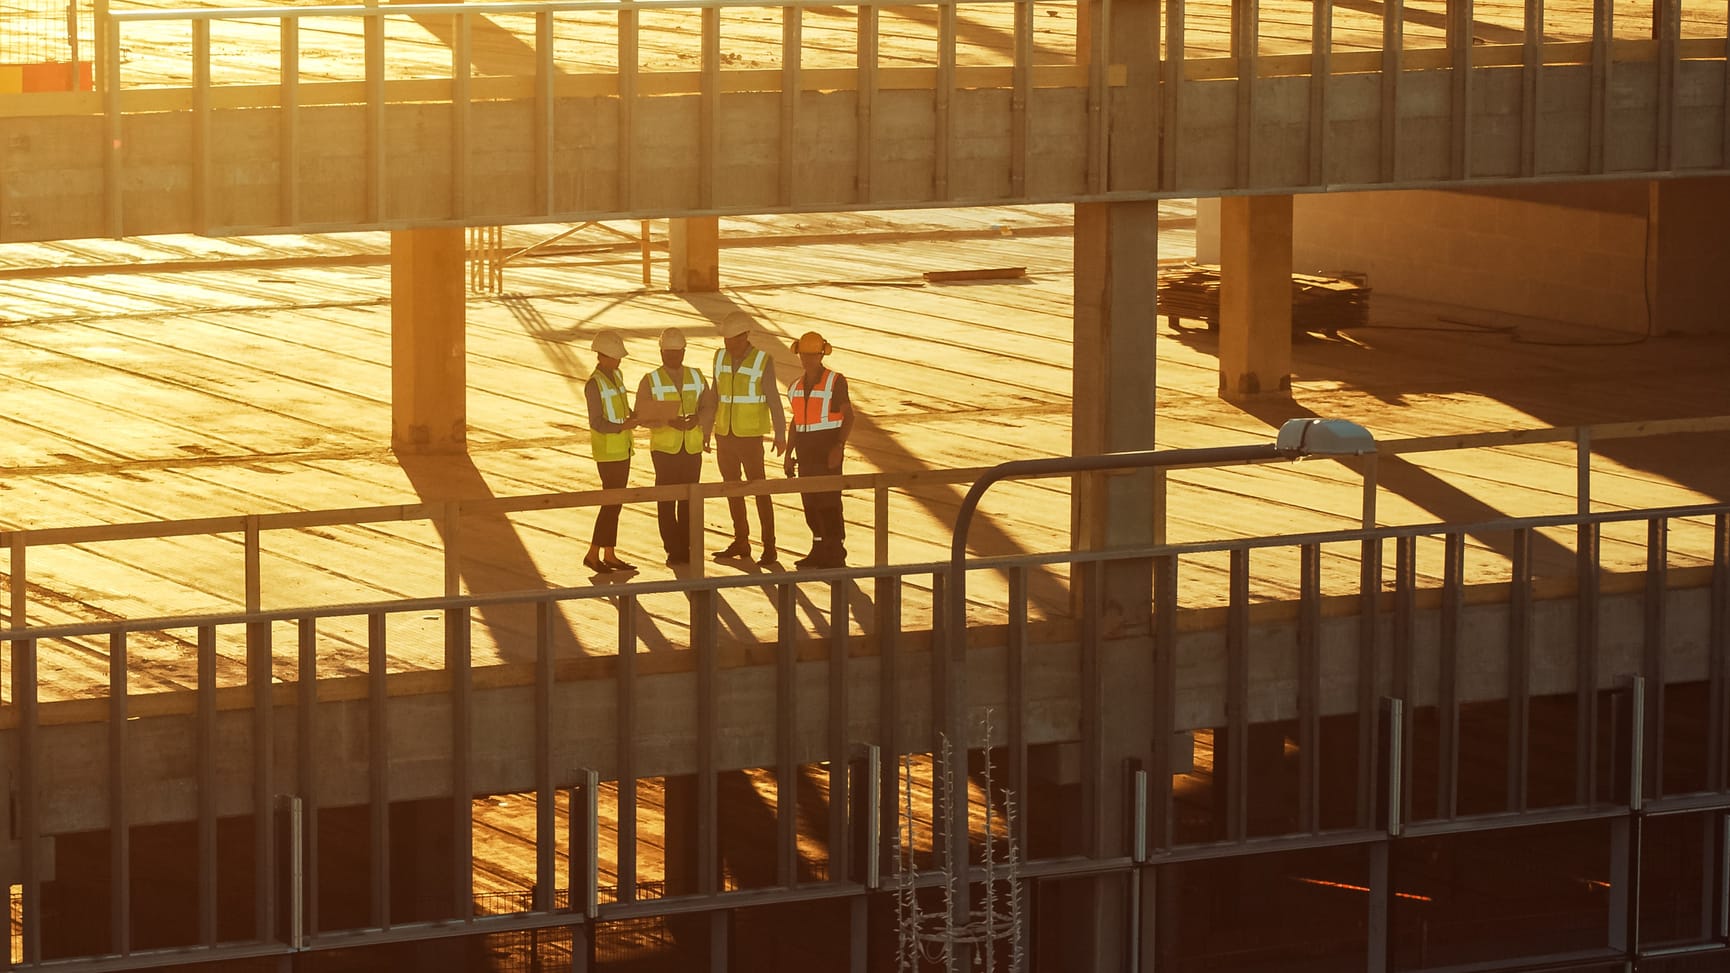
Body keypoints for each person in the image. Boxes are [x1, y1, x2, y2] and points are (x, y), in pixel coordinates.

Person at [710, 312, 788, 566]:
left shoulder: (762, 361)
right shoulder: (719, 357)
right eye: (725, 339)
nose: (728, 343)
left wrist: (780, 434)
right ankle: (741, 540)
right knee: (732, 490)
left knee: (760, 490)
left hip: (750, 438)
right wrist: (706, 429)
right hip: (725, 435)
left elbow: (773, 399)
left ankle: (769, 546)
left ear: (745, 336)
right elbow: (714, 395)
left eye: (733, 339)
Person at [635, 327, 715, 566]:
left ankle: (688, 547)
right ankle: (673, 549)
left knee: (690, 500)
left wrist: (697, 421)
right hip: (665, 450)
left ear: (683, 352)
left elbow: (709, 405)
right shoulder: (650, 380)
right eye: (668, 352)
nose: (672, 356)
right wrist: (669, 421)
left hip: (691, 447)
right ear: (661, 352)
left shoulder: (696, 376)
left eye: (676, 352)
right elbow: (641, 414)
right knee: (667, 500)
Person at [785, 331, 854, 569]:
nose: (807, 360)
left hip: (827, 452)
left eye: (812, 355)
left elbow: (849, 416)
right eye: (804, 355)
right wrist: (788, 454)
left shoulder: (835, 381)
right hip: (805, 454)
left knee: (829, 503)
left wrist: (839, 446)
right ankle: (818, 549)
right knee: (811, 503)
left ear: (821, 355)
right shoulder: (795, 387)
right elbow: (796, 422)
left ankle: (835, 552)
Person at [583, 329, 637, 574]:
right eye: (615, 357)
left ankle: (609, 553)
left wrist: (635, 416)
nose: (619, 361)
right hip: (608, 453)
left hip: (623, 449)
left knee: (616, 504)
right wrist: (622, 426)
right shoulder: (593, 385)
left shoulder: (617, 375)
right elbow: (597, 422)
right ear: (602, 356)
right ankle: (593, 553)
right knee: (610, 503)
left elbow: (623, 408)